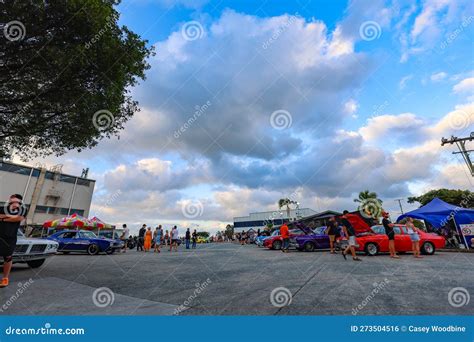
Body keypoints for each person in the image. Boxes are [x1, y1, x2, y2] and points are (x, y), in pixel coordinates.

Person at [0, 194, 28, 288]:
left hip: (10, 238)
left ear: (20, 203)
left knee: (7, 257)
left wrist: (3, 218)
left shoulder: (23, 210)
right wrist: (10, 217)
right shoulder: (1, 208)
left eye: (17, 202)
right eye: (12, 201)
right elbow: (13, 218)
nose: (14, 203)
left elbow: (18, 218)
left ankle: (5, 278)